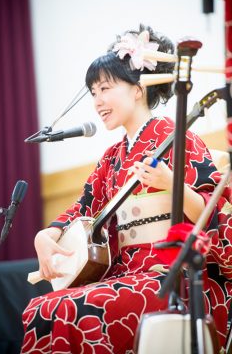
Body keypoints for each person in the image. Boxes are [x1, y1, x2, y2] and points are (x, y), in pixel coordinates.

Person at [21, 24, 232, 353]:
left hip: (176, 278)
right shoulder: (111, 158)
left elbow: (217, 214)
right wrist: (44, 236)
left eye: (105, 88)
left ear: (138, 88)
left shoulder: (179, 138)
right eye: (93, 93)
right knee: (41, 309)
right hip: (127, 274)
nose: (97, 101)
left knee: (72, 309)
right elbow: (82, 210)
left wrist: (170, 184)